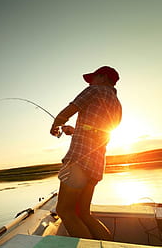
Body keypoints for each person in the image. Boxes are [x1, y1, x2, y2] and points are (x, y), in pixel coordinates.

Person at [50, 66, 122, 240]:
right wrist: (74, 131)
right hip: (96, 165)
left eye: (93, 78)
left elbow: (68, 111)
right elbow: (99, 131)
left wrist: (55, 125)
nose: (90, 82)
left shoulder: (94, 90)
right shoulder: (117, 104)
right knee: (84, 213)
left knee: (64, 211)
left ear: (103, 77)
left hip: (79, 161)